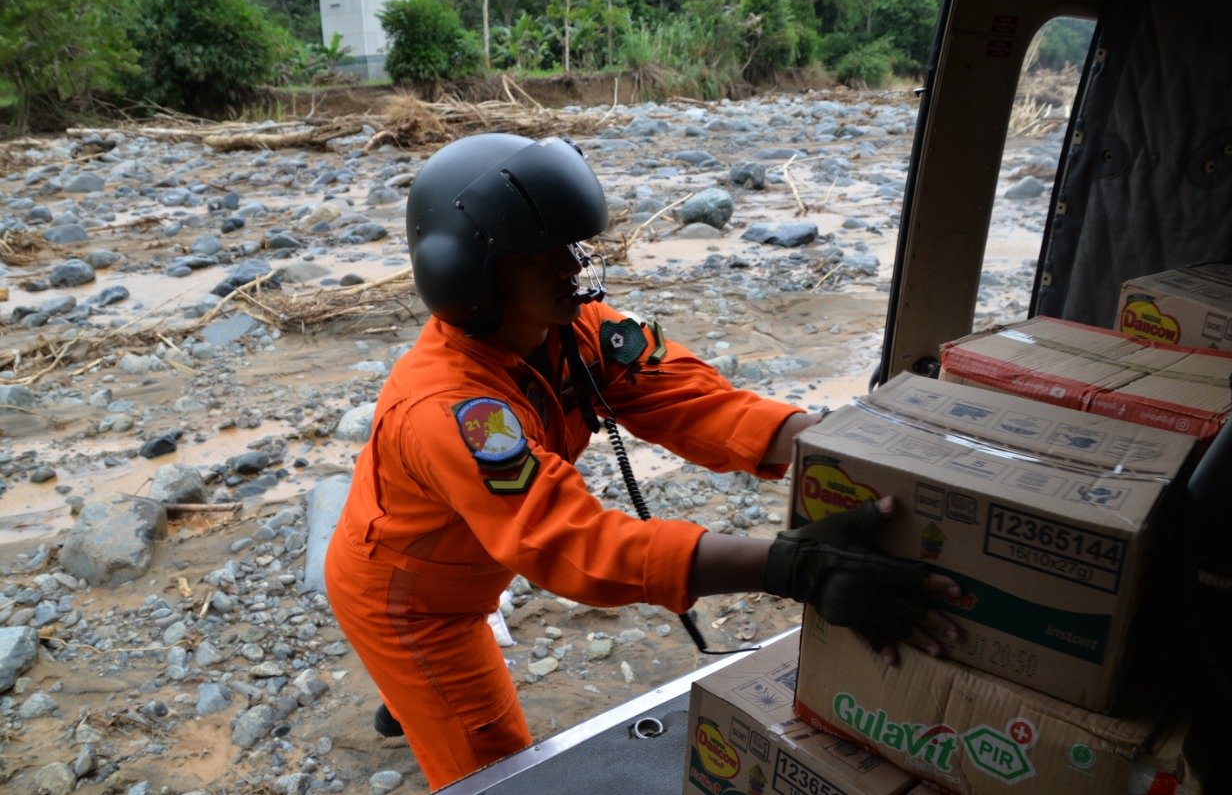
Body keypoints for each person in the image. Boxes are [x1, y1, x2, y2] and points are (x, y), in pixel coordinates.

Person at [323, 133, 959, 790]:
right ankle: (414, 687)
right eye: (546, 255)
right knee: (496, 765)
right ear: (468, 272)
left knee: (441, 683)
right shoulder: (450, 408)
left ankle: (407, 697)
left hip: (467, 555)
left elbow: (693, 401)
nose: (574, 264)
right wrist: (787, 564)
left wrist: (832, 444)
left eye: (575, 244)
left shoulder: (573, 330)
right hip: (413, 602)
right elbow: (578, 546)